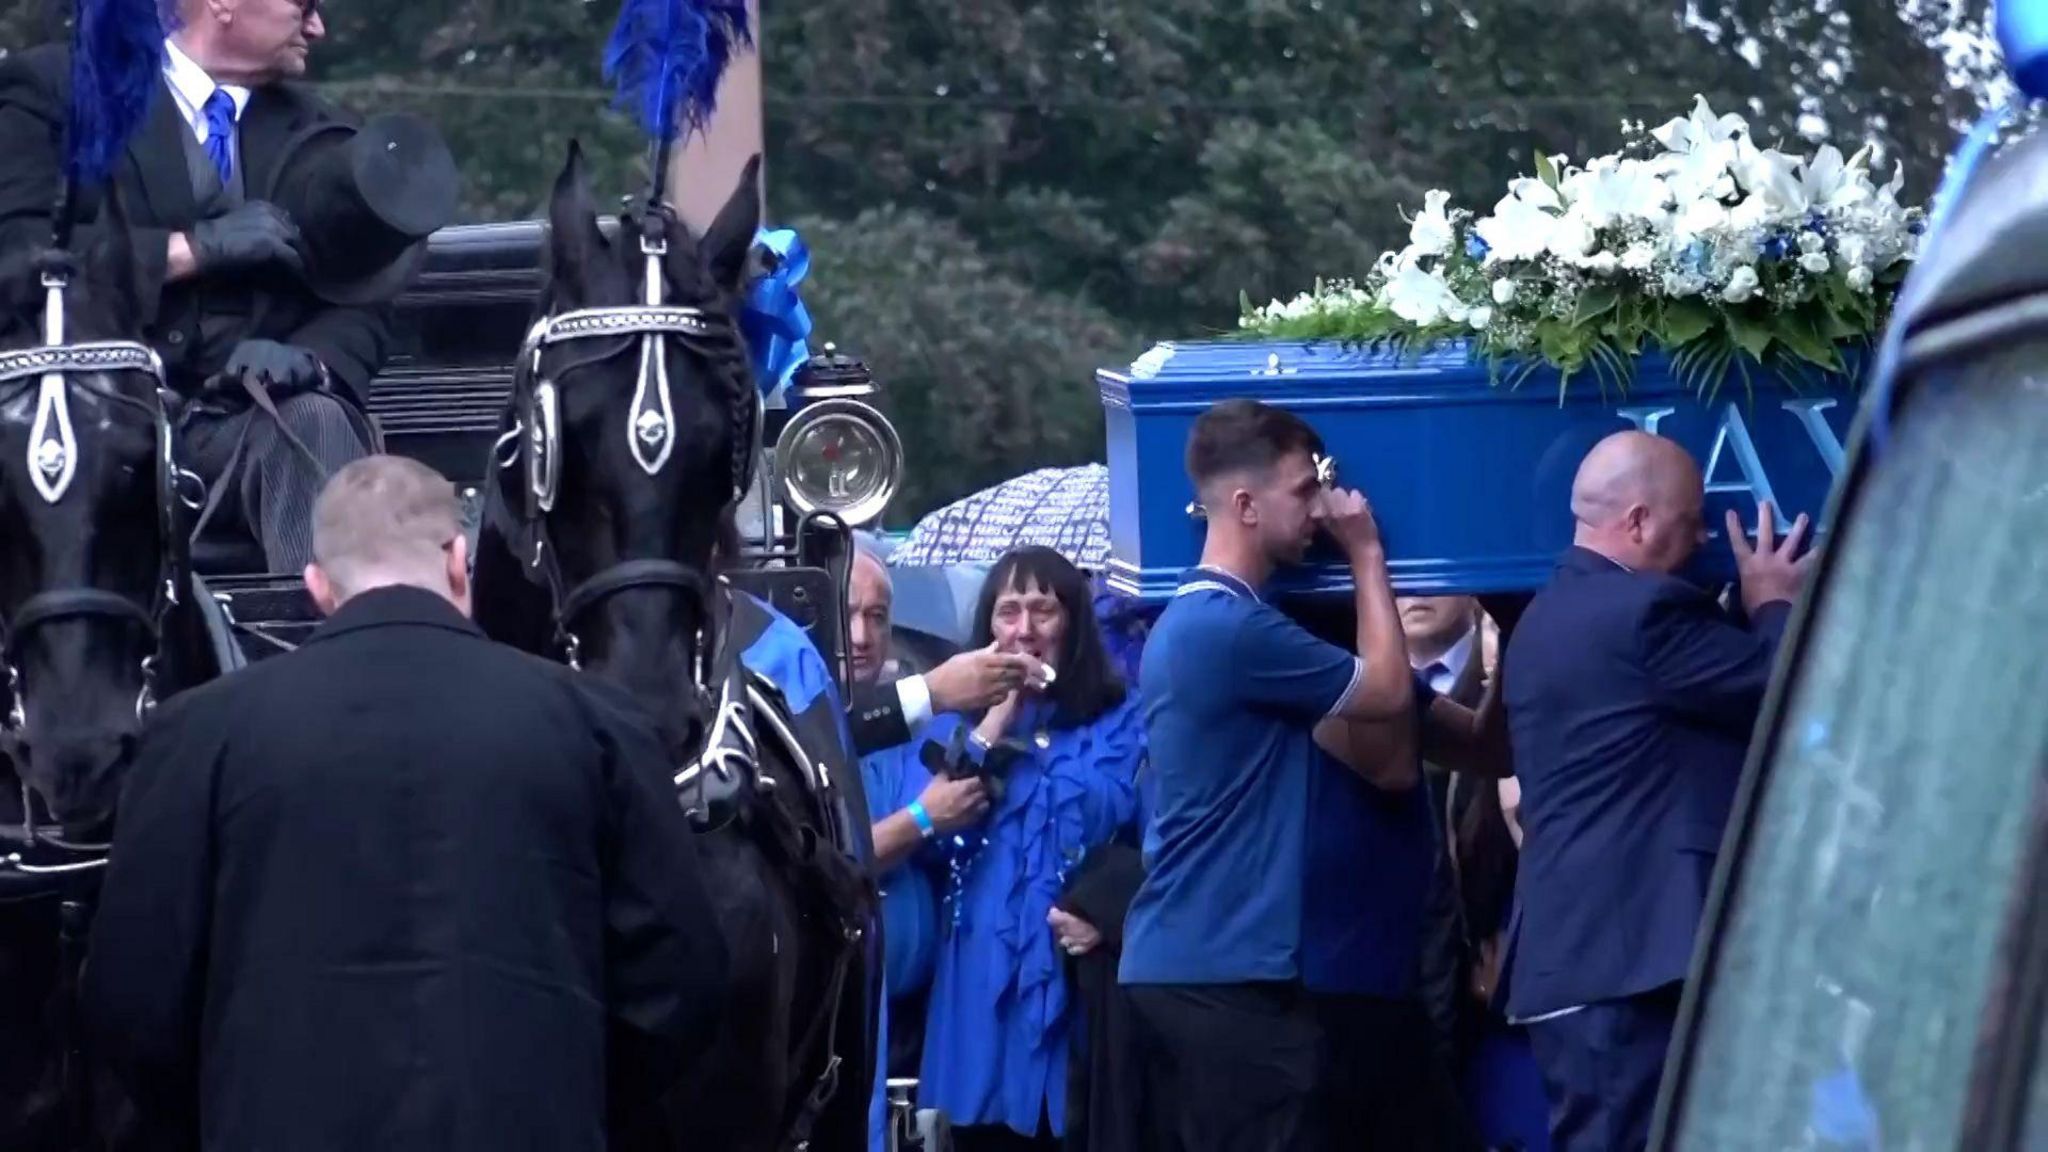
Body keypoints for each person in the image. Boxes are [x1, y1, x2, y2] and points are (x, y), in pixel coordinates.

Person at [80, 456, 730, 1151]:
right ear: (458, 561)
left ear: (319, 588)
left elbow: (130, 996)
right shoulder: (600, 724)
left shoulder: (198, 734)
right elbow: (682, 977)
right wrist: (572, 1092)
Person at [0, 0, 415, 572]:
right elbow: (13, 262)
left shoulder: (323, 134)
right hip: (81, 423)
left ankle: (326, 647)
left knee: (313, 419)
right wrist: (194, 249)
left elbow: (365, 296)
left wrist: (310, 364)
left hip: (240, 428)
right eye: (306, 5)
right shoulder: (57, 92)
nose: (318, 27)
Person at [1499, 430, 1812, 1152]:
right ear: (1638, 521)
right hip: (1629, 970)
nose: (1704, 535)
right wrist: (1772, 604)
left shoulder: (1547, 617)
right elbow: (1781, 691)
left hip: (1590, 963)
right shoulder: (1643, 614)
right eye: (1691, 519)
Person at [1119, 398, 1413, 1152]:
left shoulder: (1206, 621)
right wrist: (1368, 555)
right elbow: (1384, 693)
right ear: (1245, 506)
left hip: (1196, 963)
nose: (1321, 508)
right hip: (1219, 967)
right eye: (1302, 491)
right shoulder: (1232, 628)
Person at [919, 546, 1144, 1151]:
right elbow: (933, 840)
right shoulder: (954, 727)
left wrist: (1109, 913)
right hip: (978, 974)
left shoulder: (1125, 719)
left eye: (1042, 610)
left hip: (1077, 974)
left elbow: (1146, 837)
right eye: (1008, 611)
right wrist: (995, 720)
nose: (1024, 629)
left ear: (1072, 621)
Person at [845, 540, 991, 1110]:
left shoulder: (920, 722)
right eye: (847, 612)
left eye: (876, 616)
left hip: (919, 1013)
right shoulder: (795, 721)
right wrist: (926, 817)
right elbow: (838, 858)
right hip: (843, 1014)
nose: (861, 636)